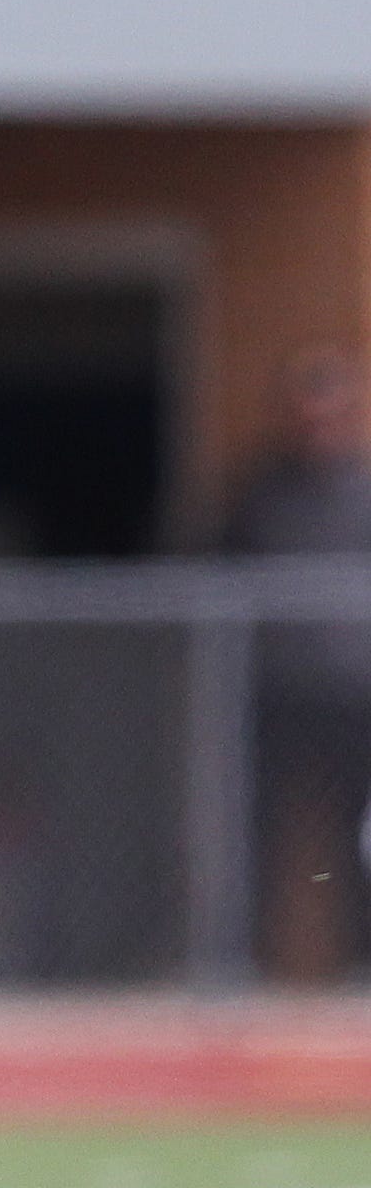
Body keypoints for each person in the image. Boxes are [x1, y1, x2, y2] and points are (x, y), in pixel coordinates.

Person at [219, 349, 371, 978]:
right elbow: (215, 570)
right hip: (278, 693)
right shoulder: (260, 494)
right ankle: (244, 967)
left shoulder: (365, 494)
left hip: (358, 696)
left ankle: (361, 964)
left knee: (357, 839)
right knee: (261, 834)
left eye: (329, 410)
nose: (317, 423)